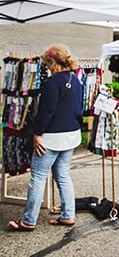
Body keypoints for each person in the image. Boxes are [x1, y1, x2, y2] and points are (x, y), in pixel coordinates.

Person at [8, 45, 83, 231]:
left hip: (51, 136)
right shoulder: (77, 80)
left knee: (38, 178)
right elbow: (78, 109)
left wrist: (37, 134)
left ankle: (28, 220)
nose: (46, 67)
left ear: (53, 62)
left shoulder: (52, 83)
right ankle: (68, 215)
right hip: (71, 134)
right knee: (63, 175)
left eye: (46, 63)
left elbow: (46, 112)